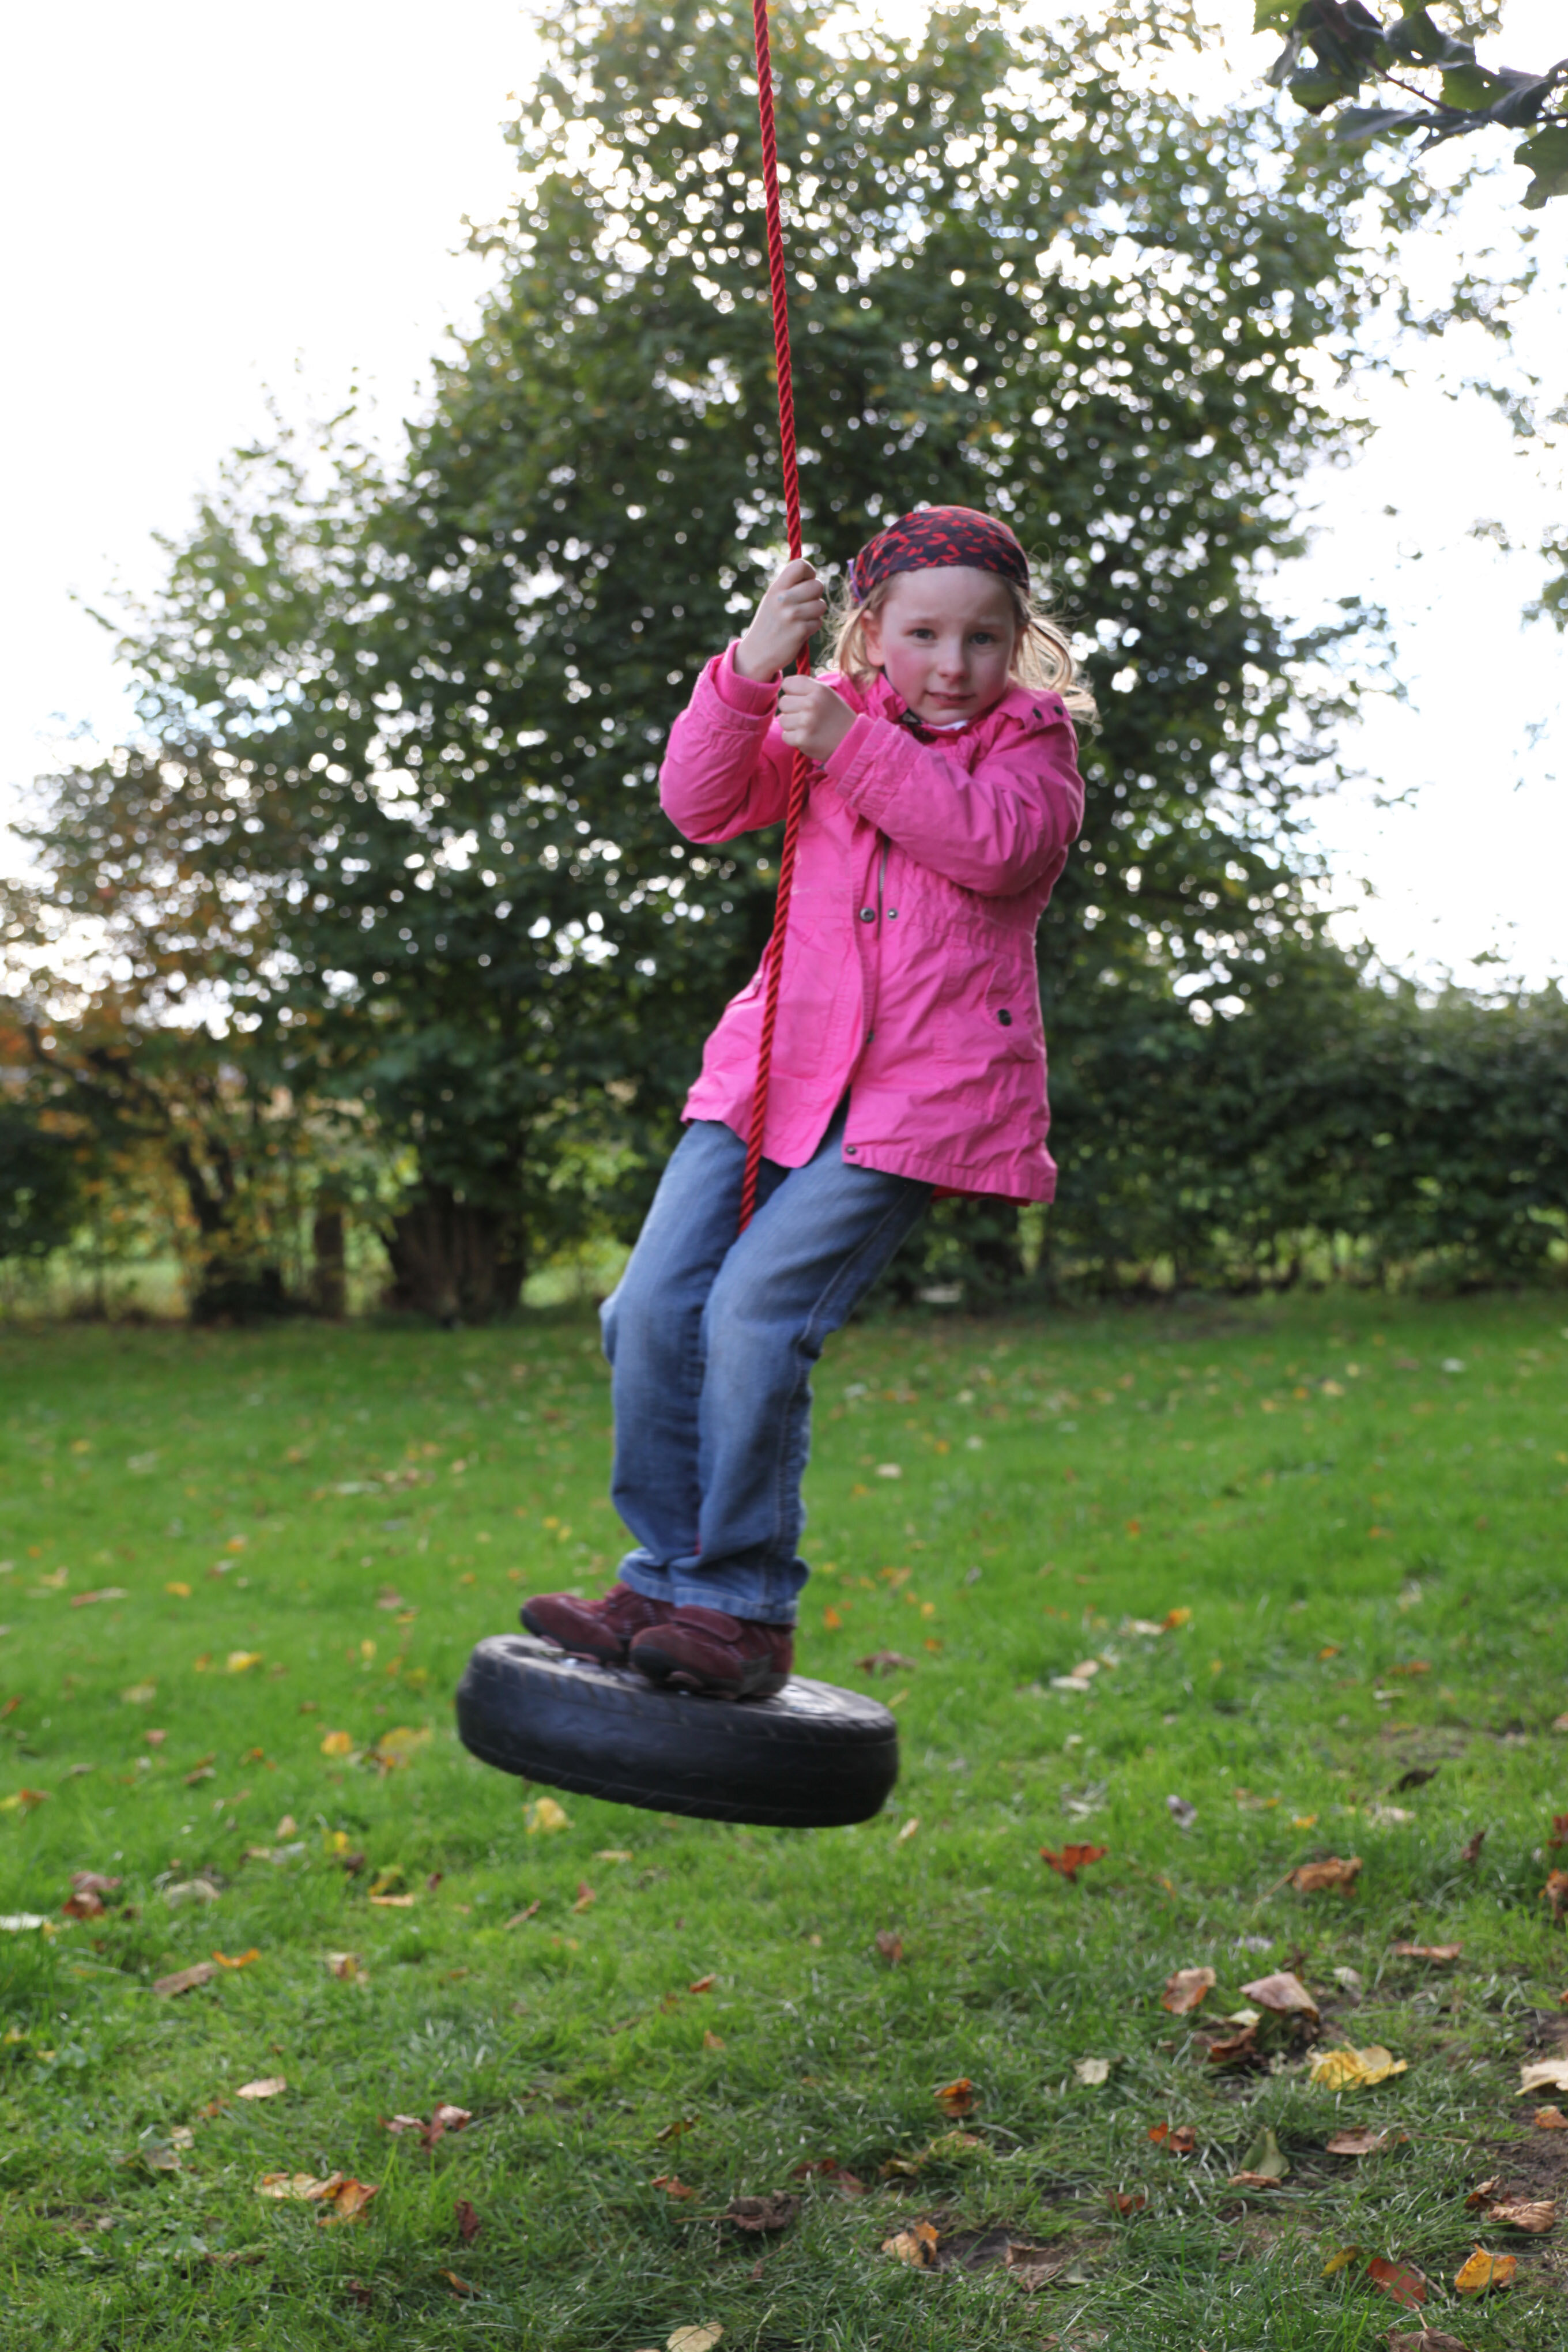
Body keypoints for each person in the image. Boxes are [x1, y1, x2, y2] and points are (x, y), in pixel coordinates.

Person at [523, 506, 1093, 1699]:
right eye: (924, 634)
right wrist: (743, 668)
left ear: (1019, 644)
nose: (952, 666)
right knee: (648, 1312)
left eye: (983, 639)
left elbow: (991, 847)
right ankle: (662, 1575)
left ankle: (739, 1606)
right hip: (770, 1077)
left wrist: (848, 744)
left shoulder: (1029, 752)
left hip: (920, 1105)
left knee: (753, 1318)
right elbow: (699, 803)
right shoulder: (823, 717)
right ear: (870, 632)